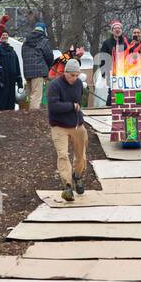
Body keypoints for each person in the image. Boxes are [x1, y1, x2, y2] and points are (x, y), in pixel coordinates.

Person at [47, 59, 87, 202]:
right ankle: (68, 186)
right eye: (72, 75)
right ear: (65, 73)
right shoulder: (54, 86)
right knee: (63, 155)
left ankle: (77, 175)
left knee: (81, 156)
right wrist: (71, 106)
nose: (74, 78)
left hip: (77, 124)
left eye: (77, 75)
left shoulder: (79, 84)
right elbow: (53, 106)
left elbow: (80, 100)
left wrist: (76, 107)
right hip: (59, 126)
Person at [20, 23, 54, 110]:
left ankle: (30, 115)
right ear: (44, 30)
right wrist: (49, 67)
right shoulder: (44, 41)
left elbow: (23, 56)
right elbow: (49, 56)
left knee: (30, 95)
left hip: (27, 72)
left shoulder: (25, 42)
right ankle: (33, 117)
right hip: (38, 71)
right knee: (36, 95)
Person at [0, 29, 23, 110]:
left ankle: (9, 112)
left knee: (10, 99)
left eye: (6, 35)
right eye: (3, 35)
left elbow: (17, 65)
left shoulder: (12, 51)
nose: (5, 36)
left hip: (11, 79)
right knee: (0, 98)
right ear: (0, 37)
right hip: (1, 79)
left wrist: (19, 81)